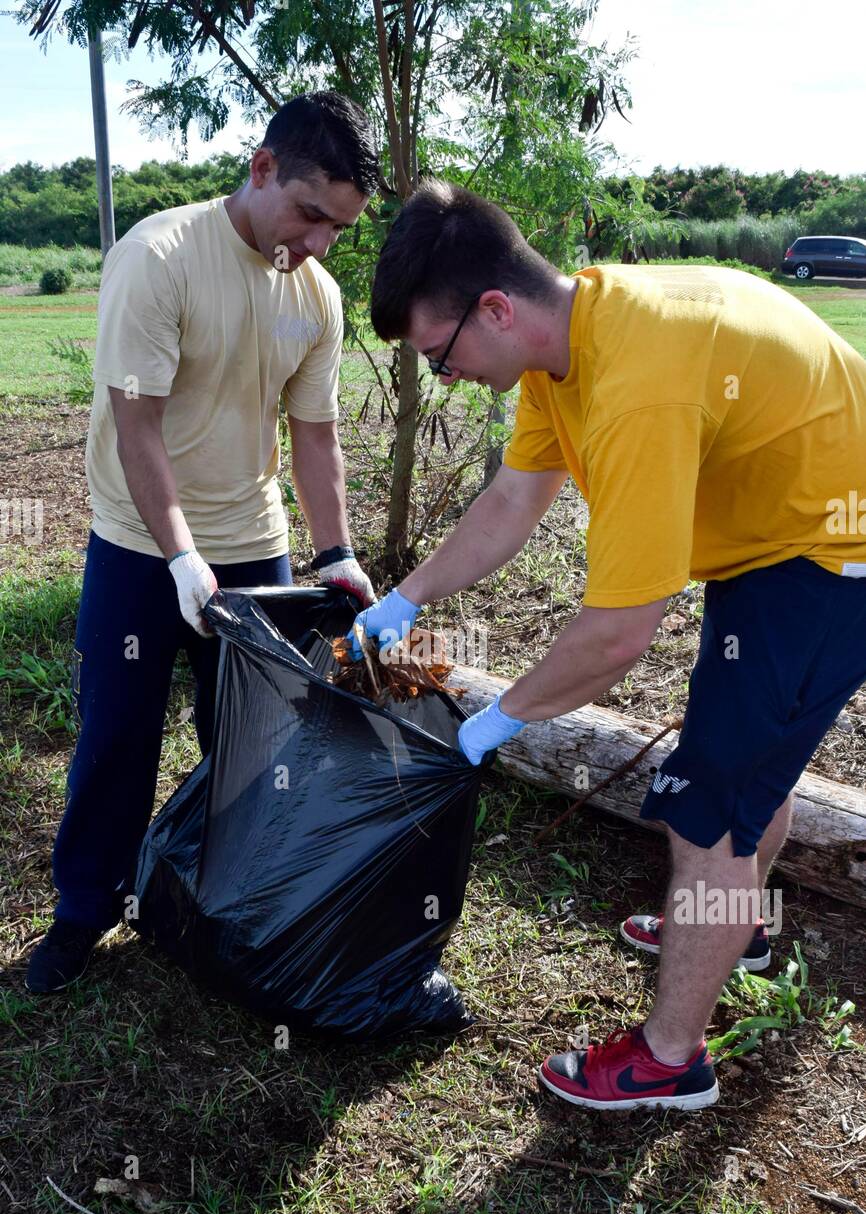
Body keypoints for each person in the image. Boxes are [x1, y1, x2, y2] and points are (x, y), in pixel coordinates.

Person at [351, 178, 866, 1111]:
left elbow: (621, 632)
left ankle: (671, 1060)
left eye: (438, 355)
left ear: (494, 309)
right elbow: (512, 500)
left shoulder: (637, 385)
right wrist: (407, 596)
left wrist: (493, 724)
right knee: (752, 771)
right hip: (780, 534)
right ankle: (735, 926)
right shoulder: (566, 350)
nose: (445, 375)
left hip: (835, 553)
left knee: (703, 808)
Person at [27, 92, 379, 994]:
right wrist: (183, 556)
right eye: (308, 214)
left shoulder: (317, 295)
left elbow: (314, 436)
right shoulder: (160, 256)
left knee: (256, 749)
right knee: (117, 737)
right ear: (261, 169)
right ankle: (82, 913)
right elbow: (136, 423)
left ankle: (224, 908)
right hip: (140, 548)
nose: (316, 243)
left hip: (255, 548)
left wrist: (333, 550)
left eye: (337, 227)